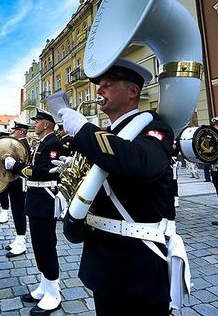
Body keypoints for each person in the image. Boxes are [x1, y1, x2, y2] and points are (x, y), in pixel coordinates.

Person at [58, 58, 173, 315]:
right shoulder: (106, 135)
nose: (99, 90)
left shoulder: (155, 129)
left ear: (132, 91)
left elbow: (137, 163)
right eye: (100, 86)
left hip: (137, 266)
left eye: (108, 85)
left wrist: (84, 130)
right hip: (103, 262)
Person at [4, 109, 63, 315]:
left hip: (45, 200)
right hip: (37, 199)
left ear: (46, 124)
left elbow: (43, 171)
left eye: (37, 121)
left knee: (46, 245)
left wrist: (17, 166)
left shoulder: (53, 143)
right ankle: (44, 286)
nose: (34, 124)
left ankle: (54, 292)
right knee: (39, 245)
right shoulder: (44, 142)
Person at [4, 121, 31, 258]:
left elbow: (20, 166)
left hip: (19, 183)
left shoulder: (23, 145)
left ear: (21, 132)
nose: (13, 132)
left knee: (19, 211)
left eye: (15, 130)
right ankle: (18, 238)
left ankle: (21, 243)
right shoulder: (19, 144)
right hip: (14, 183)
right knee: (15, 211)